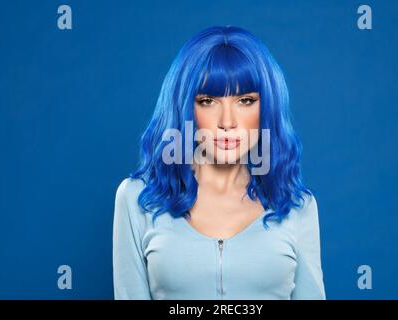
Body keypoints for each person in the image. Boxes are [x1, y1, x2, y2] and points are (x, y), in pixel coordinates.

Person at [112, 25, 326, 300]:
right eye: (208, 100)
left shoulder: (298, 206)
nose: (227, 123)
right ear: (184, 106)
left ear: (267, 108)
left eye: (246, 100)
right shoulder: (136, 198)